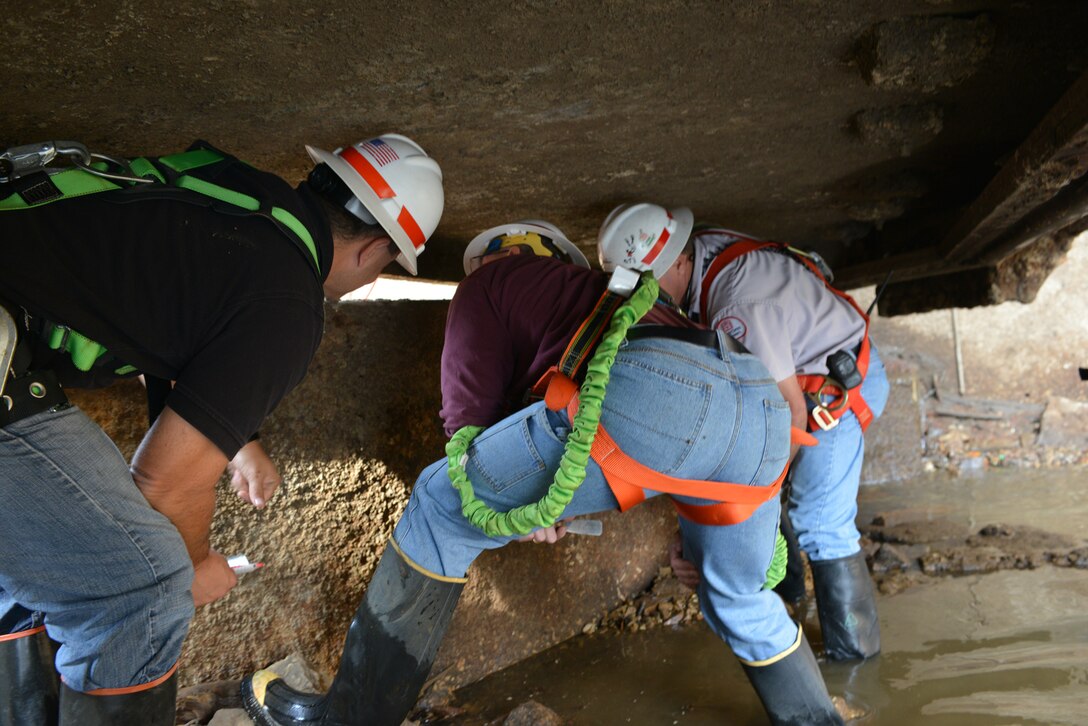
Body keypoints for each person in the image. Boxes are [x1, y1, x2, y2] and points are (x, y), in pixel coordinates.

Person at [242, 204, 845, 726]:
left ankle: (348, 717)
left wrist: (506, 498)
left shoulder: (489, 283)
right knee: (737, 597)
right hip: (758, 398)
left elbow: (465, 429)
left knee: (438, 505)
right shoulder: (618, 301)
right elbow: (686, 418)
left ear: (496, 259)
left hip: (653, 392)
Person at [0, 134, 444, 725]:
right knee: (143, 589)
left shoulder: (233, 184)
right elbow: (163, 483)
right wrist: (194, 565)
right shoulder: (290, 305)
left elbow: (171, 324)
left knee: (49, 558)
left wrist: (241, 440)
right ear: (375, 252)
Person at [665, 223, 890, 661]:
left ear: (678, 260)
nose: (646, 295)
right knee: (770, 481)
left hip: (838, 389)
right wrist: (696, 529)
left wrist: (738, 513)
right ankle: (790, 604)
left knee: (821, 522)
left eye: (648, 280)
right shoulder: (703, 253)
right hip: (812, 372)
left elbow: (792, 413)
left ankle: (856, 662)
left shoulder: (738, 305)